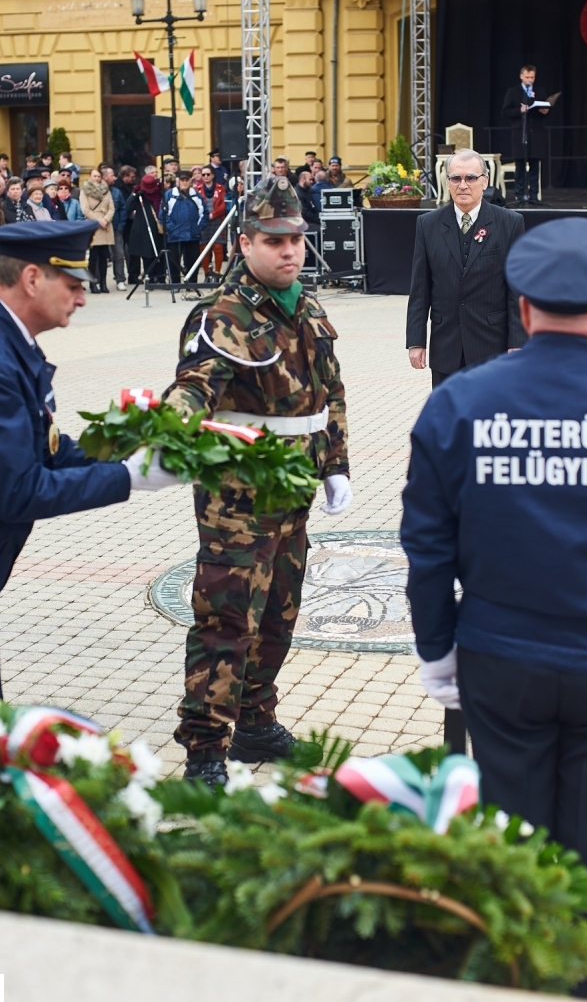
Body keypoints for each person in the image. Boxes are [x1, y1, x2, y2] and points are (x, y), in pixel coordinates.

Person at [400, 216, 587, 999]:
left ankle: (511, 977)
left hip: (501, 659)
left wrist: (437, 648)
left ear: (523, 306)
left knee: (509, 832)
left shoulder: (459, 403)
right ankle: (584, 983)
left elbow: (428, 545)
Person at [0, 221, 180, 701]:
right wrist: (129, 477)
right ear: (33, 279)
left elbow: (42, 446)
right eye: (73, 285)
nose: (82, 299)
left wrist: (120, 448)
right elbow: (17, 491)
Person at [164, 178, 352, 788]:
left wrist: (337, 465)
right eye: (274, 240)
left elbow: (332, 393)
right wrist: (175, 415)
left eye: (296, 239)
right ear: (244, 243)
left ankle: (253, 720)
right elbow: (197, 382)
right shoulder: (223, 315)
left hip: (294, 489)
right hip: (237, 500)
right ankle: (203, 751)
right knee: (226, 622)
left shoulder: (309, 306)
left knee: (278, 616)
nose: (289, 251)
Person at [406, 149, 526, 390]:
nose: (463, 185)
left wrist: (518, 341)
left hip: (493, 344)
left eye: (470, 178)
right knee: (448, 420)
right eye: (455, 178)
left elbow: (517, 290)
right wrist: (415, 341)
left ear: (485, 181)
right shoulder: (427, 224)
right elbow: (420, 288)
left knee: (491, 417)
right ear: (447, 182)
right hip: (445, 345)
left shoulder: (510, 223)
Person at [502, 65, 551, 206]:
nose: (530, 80)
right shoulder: (513, 92)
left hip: (536, 133)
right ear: (521, 76)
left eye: (532, 77)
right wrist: (519, 110)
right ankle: (520, 195)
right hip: (520, 133)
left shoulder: (540, 90)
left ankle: (534, 195)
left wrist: (545, 111)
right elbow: (505, 112)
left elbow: (545, 108)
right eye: (527, 77)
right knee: (520, 166)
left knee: (535, 165)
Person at [163, 169, 204, 284]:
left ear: (190, 181)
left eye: (187, 180)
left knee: (193, 261)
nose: (184, 182)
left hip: (192, 234)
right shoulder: (169, 195)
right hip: (175, 235)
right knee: (173, 261)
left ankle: (192, 283)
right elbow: (163, 214)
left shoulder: (196, 195)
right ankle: (175, 284)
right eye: (182, 180)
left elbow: (204, 212)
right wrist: (171, 228)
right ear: (177, 181)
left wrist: (199, 227)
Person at [79, 168, 115, 293]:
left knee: (104, 256)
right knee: (93, 258)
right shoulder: (84, 191)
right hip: (93, 225)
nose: (97, 178)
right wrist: (99, 220)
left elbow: (111, 208)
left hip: (105, 225)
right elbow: (85, 210)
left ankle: (103, 283)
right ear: (90, 177)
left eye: (98, 176)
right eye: (94, 176)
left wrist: (106, 219)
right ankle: (93, 283)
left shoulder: (106, 190)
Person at [127, 174, 164, 283]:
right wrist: (134, 194)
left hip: (159, 227)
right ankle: (150, 278)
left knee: (160, 253)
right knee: (147, 255)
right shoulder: (140, 195)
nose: (150, 192)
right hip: (144, 228)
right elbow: (128, 207)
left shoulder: (160, 193)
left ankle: (161, 277)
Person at [198, 164, 227, 278]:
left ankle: (217, 273)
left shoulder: (221, 188)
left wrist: (213, 214)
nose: (205, 176)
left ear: (213, 175)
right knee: (203, 248)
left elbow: (224, 205)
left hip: (217, 220)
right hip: (203, 221)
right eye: (203, 174)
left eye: (208, 174)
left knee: (218, 247)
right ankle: (206, 274)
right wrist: (205, 216)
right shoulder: (197, 189)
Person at [103, 167, 128, 290]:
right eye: (112, 175)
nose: (115, 178)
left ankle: (120, 279)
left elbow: (123, 208)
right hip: (101, 228)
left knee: (119, 254)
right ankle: (99, 280)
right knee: (101, 255)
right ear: (105, 177)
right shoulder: (95, 192)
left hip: (116, 227)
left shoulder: (117, 192)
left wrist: (121, 225)